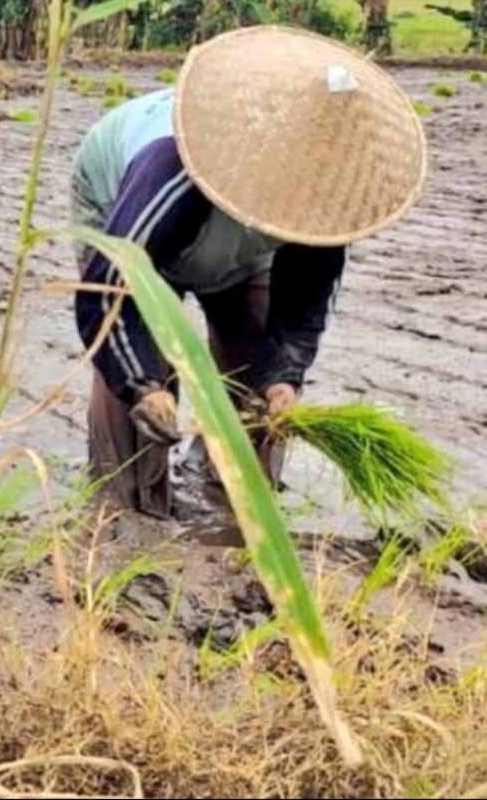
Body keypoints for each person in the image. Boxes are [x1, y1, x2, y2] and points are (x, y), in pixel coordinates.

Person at [70, 25, 428, 519]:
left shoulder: (330, 193)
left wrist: (285, 376)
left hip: (238, 243)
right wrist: (141, 385)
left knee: (256, 371)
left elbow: (303, 299)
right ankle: (126, 508)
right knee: (140, 368)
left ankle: (241, 506)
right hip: (134, 219)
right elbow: (109, 293)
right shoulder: (170, 164)